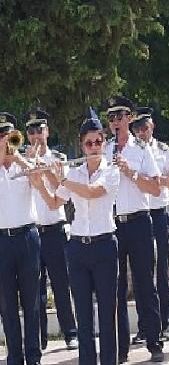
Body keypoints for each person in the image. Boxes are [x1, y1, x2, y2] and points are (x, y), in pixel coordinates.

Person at [31, 107, 120, 365]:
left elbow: (93, 192)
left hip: (104, 246)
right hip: (78, 248)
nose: (94, 147)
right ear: (82, 146)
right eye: (89, 143)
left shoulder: (111, 170)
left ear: (103, 143)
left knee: (106, 315)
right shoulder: (75, 173)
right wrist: (41, 181)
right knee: (83, 316)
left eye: (98, 142)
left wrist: (61, 178)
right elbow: (54, 202)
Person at [103, 96, 164, 363]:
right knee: (115, 287)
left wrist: (131, 173)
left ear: (129, 118)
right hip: (113, 224)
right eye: (111, 118)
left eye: (120, 117)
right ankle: (120, 348)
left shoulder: (141, 150)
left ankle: (154, 342)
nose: (115, 122)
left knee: (144, 284)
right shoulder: (104, 149)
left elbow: (155, 187)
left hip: (138, 221)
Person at [23, 108, 79, 351]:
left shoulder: (59, 158)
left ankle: (70, 333)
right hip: (33, 230)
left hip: (55, 228)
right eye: (31, 131)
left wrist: (46, 169)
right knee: (36, 290)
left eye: (40, 130)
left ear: (47, 132)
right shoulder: (22, 160)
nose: (36, 135)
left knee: (61, 284)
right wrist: (27, 162)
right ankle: (40, 337)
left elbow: (63, 193)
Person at [0, 111, 42, 365]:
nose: (6, 141)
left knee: (32, 301)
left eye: (9, 136)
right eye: (1, 136)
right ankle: (14, 356)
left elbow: (39, 182)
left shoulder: (25, 162)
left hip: (27, 236)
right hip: (2, 241)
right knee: (6, 303)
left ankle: (33, 356)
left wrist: (20, 161)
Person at [131, 107, 169, 341]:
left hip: (159, 213)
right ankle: (145, 326)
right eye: (137, 128)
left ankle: (165, 323)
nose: (141, 132)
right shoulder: (132, 151)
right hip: (141, 214)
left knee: (161, 270)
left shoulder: (163, 151)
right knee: (142, 274)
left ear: (152, 127)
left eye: (144, 127)